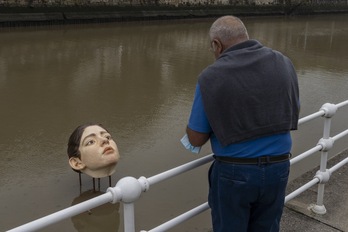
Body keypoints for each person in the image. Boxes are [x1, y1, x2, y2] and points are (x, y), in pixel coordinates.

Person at [184, 16, 300, 232]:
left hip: (235, 173)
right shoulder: (283, 62)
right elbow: (291, 109)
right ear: (245, 36)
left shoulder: (211, 76)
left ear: (217, 45)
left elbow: (196, 138)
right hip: (279, 167)